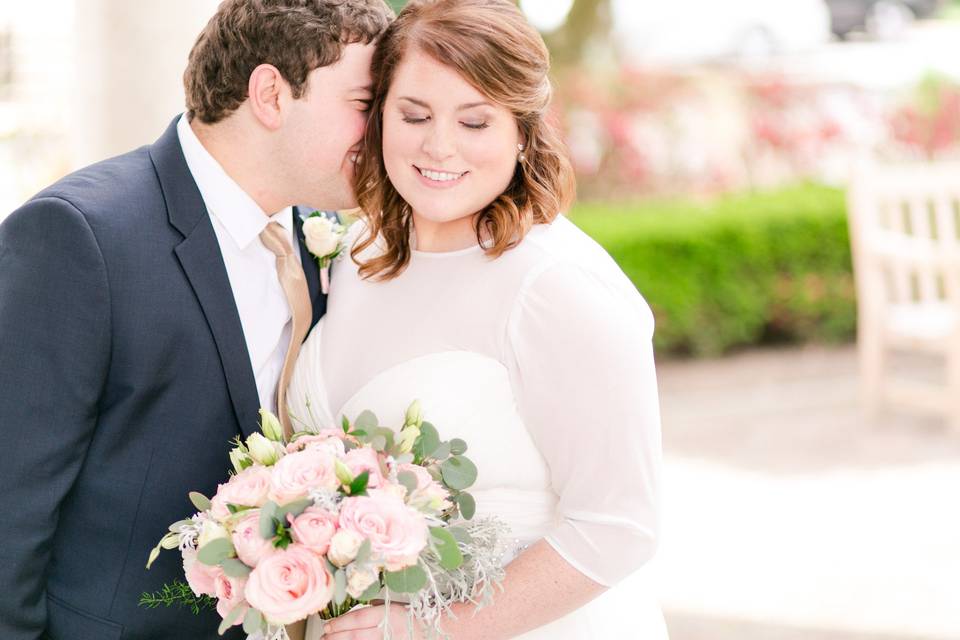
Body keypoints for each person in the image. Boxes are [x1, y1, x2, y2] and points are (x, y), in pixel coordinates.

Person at [0, 1, 393, 639]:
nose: (382, 132)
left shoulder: (319, 238)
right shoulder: (79, 237)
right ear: (271, 94)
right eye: (364, 103)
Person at [286, 1, 667, 638]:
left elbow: (620, 526)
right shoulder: (357, 257)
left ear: (521, 131)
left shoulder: (557, 288)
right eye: (414, 115)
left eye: (474, 121)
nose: (439, 146)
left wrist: (433, 629)